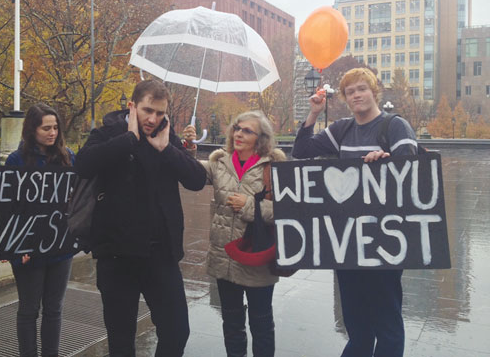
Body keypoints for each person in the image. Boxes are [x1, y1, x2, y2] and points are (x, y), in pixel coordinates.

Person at [75, 79, 206, 357]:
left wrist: (167, 149)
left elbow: (197, 179)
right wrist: (129, 139)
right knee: (121, 341)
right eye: (148, 111)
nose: (153, 119)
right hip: (117, 255)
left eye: (160, 113)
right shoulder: (109, 131)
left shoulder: (165, 137)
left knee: (176, 331)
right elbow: (83, 164)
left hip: (160, 255)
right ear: (132, 106)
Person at [292, 68, 418, 357]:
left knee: (387, 324)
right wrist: (313, 113)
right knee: (356, 325)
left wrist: (386, 162)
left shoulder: (395, 127)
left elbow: (413, 178)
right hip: (348, 242)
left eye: (362, 88)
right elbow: (301, 151)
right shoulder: (342, 130)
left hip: (385, 240)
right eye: (350, 91)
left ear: (374, 92)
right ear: (346, 98)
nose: (356, 95)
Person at [184, 110, 285, 357]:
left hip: (256, 256)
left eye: (247, 130)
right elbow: (190, 175)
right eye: (237, 128)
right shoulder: (220, 162)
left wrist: (249, 206)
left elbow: (288, 209)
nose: (238, 133)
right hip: (223, 256)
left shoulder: (275, 166)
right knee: (231, 323)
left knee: (261, 322)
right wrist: (188, 148)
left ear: (260, 137)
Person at [5, 103, 75, 357]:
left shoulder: (68, 155)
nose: (52, 133)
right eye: (46, 128)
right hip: (28, 248)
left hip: (60, 245)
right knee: (29, 308)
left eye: (55, 127)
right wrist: (15, 247)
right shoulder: (17, 159)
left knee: (54, 308)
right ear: (32, 129)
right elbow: (9, 208)